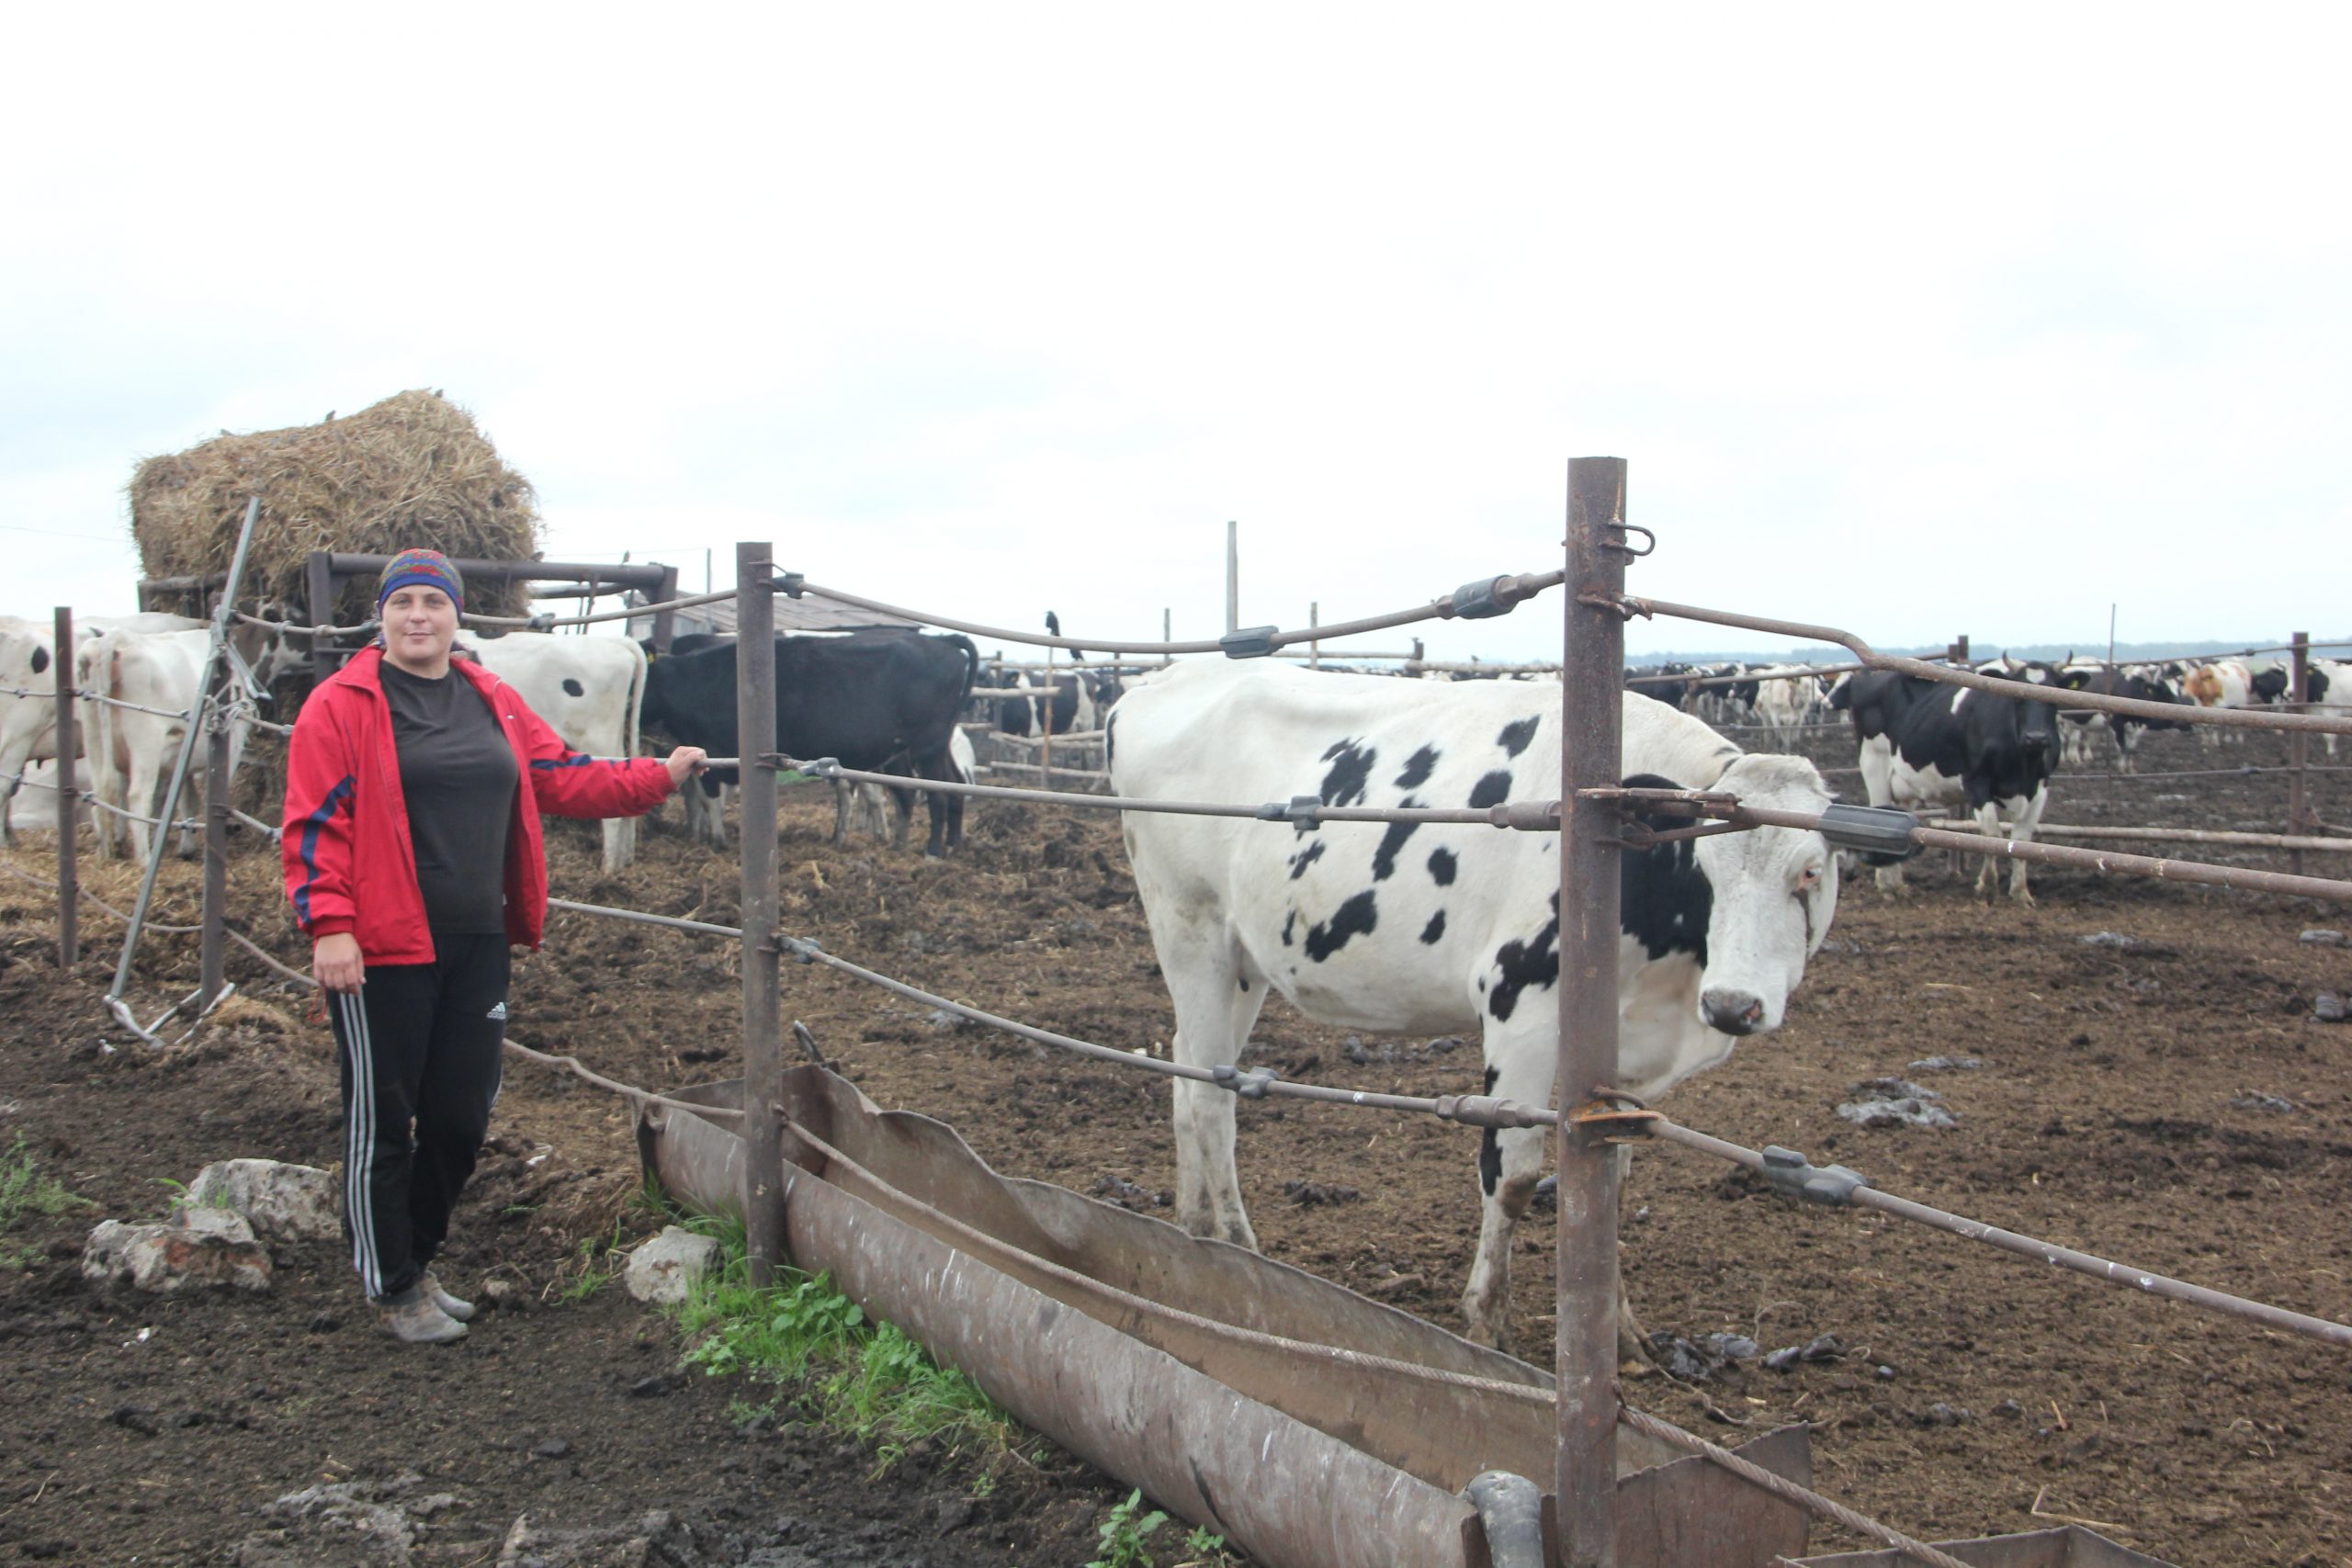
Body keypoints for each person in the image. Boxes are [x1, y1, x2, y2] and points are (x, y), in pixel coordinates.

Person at [281, 549, 707, 1344]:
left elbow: (563, 776)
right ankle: (393, 1284)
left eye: (432, 603)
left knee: (461, 1115)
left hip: (478, 938)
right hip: (379, 944)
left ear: (455, 616)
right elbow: (313, 824)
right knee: (383, 1118)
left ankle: (419, 1255)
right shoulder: (340, 705)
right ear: (381, 616)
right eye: (403, 602)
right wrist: (329, 925)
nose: (418, 616)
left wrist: (658, 775)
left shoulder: (491, 697)